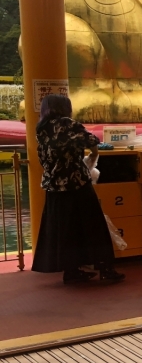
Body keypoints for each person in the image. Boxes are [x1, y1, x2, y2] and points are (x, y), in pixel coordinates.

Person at [32, 94, 125, 285]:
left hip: (53, 186)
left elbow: (43, 156)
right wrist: (93, 155)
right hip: (76, 183)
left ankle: (71, 271)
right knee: (93, 226)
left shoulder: (41, 128)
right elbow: (91, 140)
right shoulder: (67, 123)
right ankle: (105, 268)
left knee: (65, 230)